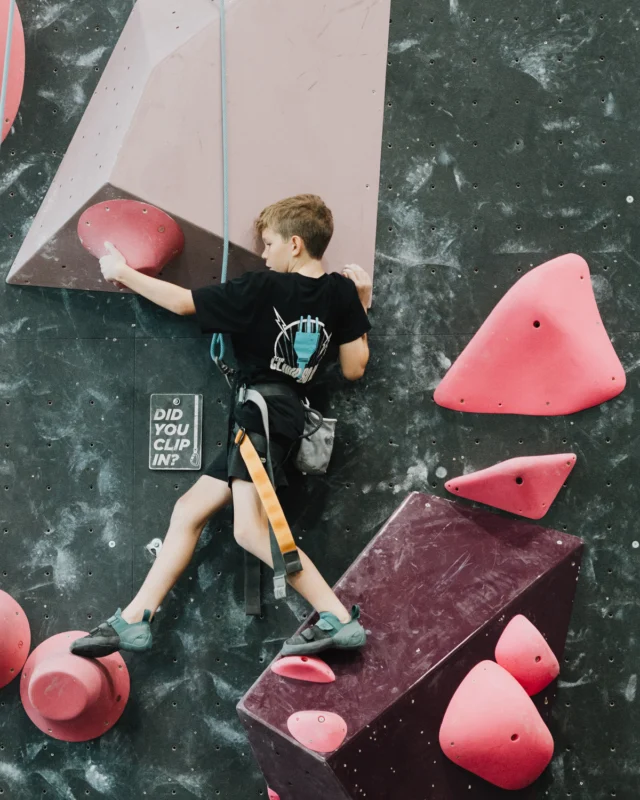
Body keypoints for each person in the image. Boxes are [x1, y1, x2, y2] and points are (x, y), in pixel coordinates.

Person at [70, 194, 372, 660]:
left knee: (250, 531)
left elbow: (185, 303)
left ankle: (335, 615)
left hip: (259, 413)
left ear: (294, 244)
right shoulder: (342, 294)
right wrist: (363, 302)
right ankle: (135, 619)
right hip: (283, 415)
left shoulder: (264, 288)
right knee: (189, 510)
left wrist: (122, 272)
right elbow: (354, 367)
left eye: (269, 244)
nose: (264, 254)